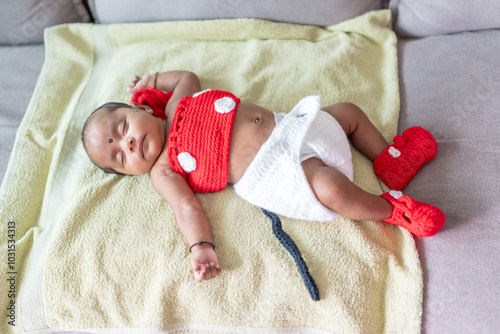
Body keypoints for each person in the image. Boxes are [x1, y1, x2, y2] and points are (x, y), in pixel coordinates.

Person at [81, 71, 445, 282]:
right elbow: (186, 208)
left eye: (123, 126)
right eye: (119, 156)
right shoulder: (164, 170)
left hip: (292, 126)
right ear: (130, 172)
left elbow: (189, 76)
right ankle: (394, 210)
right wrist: (201, 247)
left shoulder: (178, 103)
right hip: (274, 166)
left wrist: (155, 78)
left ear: (142, 106)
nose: (127, 143)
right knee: (330, 188)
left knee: (349, 112)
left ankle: (389, 159)